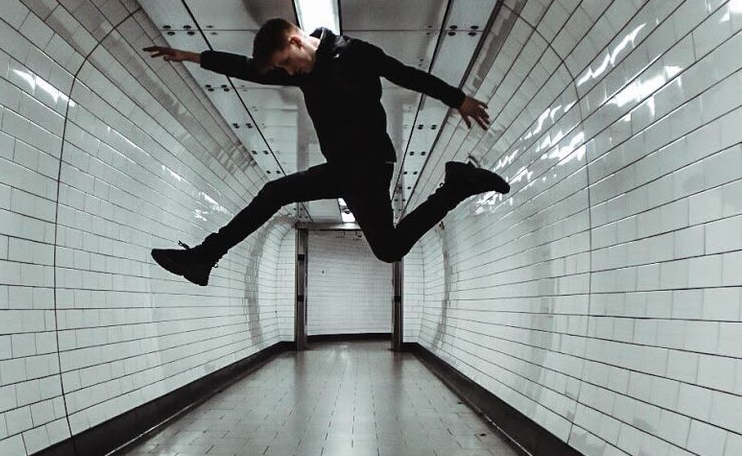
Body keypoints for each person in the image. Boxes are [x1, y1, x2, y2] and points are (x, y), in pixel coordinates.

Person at [143, 19, 509, 285]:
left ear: (296, 41)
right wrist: (194, 56)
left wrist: (458, 99)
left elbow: (406, 75)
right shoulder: (300, 72)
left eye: (287, 61)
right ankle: (204, 258)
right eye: (282, 68)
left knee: (389, 249)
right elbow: (249, 70)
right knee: (275, 193)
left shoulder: (355, 54)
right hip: (342, 168)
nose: (288, 72)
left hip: (369, 165)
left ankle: (457, 185)